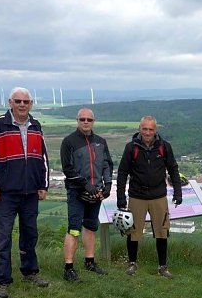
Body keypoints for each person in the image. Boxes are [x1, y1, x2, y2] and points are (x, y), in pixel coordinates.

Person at [0, 87, 50, 298]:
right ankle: (3, 281)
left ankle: (30, 272)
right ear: (10, 102)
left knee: (30, 234)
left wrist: (44, 185)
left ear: (31, 104)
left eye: (26, 102)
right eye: (18, 101)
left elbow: (43, 158)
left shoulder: (36, 125)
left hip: (30, 193)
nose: (22, 105)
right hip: (6, 194)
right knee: (3, 237)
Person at [115, 115, 182, 278]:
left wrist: (178, 192)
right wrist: (120, 197)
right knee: (133, 231)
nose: (147, 132)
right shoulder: (131, 147)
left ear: (155, 130)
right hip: (137, 195)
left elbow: (173, 169)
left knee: (162, 231)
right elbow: (122, 172)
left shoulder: (164, 147)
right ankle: (132, 263)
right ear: (140, 129)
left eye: (150, 129)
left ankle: (163, 266)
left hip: (158, 195)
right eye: (144, 129)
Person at [60, 108, 113, 282]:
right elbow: (68, 169)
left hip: (96, 191)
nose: (85, 122)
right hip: (76, 192)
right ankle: (68, 268)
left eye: (89, 119)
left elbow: (107, 164)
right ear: (77, 120)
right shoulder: (69, 141)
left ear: (93, 121)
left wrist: (108, 185)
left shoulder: (101, 141)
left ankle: (90, 262)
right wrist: (85, 185)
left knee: (91, 227)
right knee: (74, 229)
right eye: (82, 119)